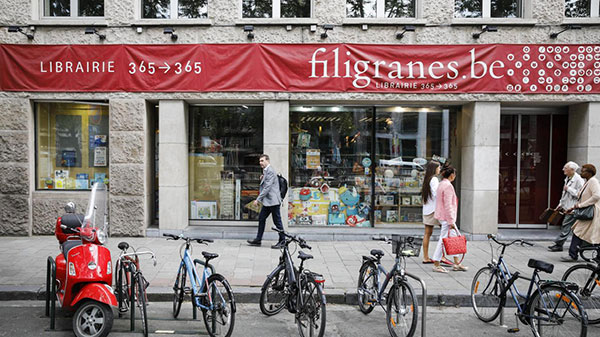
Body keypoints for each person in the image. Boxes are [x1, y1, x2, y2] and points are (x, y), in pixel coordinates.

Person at [431, 165, 468, 273]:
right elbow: (448, 205)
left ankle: (457, 263)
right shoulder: (448, 186)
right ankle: (436, 264)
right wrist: (451, 221)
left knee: (453, 238)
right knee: (443, 240)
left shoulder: (441, 184)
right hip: (447, 218)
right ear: (452, 175)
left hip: (443, 216)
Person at [561, 164, 600, 262]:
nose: (581, 173)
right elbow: (582, 197)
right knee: (589, 234)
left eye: (583, 171)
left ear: (589, 173)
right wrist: (573, 208)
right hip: (587, 213)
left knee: (578, 232)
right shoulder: (587, 182)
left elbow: (596, 196)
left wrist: (580, 206)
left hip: (590, 213)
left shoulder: (593, 182)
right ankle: (596, 256)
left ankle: (573, 254)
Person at [247, 154, 286, 249]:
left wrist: (258, 199)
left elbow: (267, 188)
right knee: (261, 218)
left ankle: (283, 241)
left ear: (267, 161)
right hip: (268, 201)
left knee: (277, 221)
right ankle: (258, 239)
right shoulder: (266, 171)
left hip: (273, 201)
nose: (260, 163)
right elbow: (267, 184)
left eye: (262, 161)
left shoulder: (270, 171)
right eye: (260, 161)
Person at [548, 161, 584, 252]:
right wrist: (560, 205)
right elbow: (564, 195)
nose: (563, 169)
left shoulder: (578, 180)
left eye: (565, 168)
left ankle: (559, 244)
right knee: (571, 227)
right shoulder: (568, 178)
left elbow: (580, 194)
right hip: (566, 206)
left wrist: (569, 189)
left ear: (572, 170)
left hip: (572, 207)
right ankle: (581, 244)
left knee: (566, 225)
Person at [421, 161, 441, 264]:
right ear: (434, 169)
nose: (439, 169)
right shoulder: (434, 179)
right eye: (438, 168)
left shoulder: (427, 179)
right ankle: (442, 256)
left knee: (427, 233)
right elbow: (437, 194)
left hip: (427, 209)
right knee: (445, 233)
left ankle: (425, 257)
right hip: (434, 210)